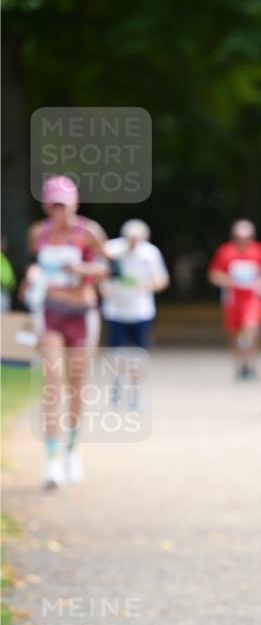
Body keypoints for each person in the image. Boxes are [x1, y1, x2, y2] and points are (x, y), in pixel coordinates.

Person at [26, 176, 108, 488]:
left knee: (76, 385)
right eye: (55, 205)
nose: (61, 212)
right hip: (50, 311)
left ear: (75, 203)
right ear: (48, 206)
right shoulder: (39, 233)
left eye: (66, 204)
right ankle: (51, 461)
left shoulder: (89, 232)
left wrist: (81, 271)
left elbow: (105, 268)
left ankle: (72, 450)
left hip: (82, 312)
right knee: (52, 383)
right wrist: (33, 275)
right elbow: (36, 265)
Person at [101, 219, 170, 407]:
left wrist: (147, 286)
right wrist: (103, 287)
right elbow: (100, 274)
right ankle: (117, 383)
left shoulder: (150, 253)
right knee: (117, 354)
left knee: (139, 355)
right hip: (116, 310)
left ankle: (134, 392)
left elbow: (162, 279)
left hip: (141, 311)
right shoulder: (111, 250)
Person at [208, 220, 261, 378]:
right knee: (235, 333)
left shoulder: (259, 250)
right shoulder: (225, 251)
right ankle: (240, 364)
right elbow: (214, 274)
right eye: (239, 237)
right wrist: (228, 281)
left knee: (252, 329)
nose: (243, 241)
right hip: (233, 300)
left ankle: (251, 363)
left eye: (247, 237)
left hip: (252, 299)